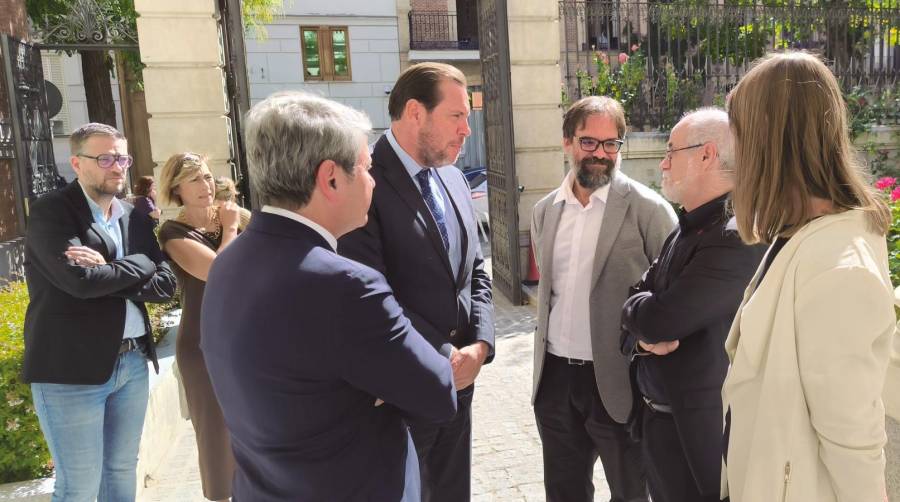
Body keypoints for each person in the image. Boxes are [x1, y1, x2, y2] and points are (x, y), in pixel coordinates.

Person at [201, 91, 457, 501]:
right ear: (331, 178)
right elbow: (438, 390)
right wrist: (376, 383)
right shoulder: (347, 285)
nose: (373, 181)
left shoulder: (228, 261)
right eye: (367, 168)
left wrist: (367, 386)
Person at [721, 51, 895, 502]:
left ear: (768, 143)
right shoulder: (797, 235)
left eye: (738, 135)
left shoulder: (839, 269)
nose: (732, 153)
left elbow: (853, 439)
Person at [338, 62, 494, 502]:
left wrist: (479, 346)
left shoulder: (454, 177)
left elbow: (476, 271)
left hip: (460, 386)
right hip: (399, 394)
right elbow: (367, 289)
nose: (467, 129)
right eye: (457, 116)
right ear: (414, 112)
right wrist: (444, 356)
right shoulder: (362, 181)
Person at [529, 95, 676, 502]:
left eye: (611, 144)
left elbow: (673, 290)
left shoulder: (650, 210)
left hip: (619, 381)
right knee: (564, 492)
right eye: (588, 142)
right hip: (556, 379)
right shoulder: (544, 211)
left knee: (631, 493)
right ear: (567, 143)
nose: (600, 154)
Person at [21, 122, 177, 502]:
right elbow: (79, 283)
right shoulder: (52, 211)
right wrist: (140, 264)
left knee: (122, 472)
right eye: (104, 158)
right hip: (69, 372)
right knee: (79, 487)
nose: (117, 166)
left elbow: (167, 284)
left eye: (122, 157)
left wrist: (110, 266)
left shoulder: (133, 214)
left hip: (132, 364)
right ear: (77, 163)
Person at [619, 108, 766, 502]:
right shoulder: (687, 225)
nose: (663, 162)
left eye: (671, 150)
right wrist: (642, 329)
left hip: (700, 440)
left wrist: (643, 323)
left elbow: (659, 318)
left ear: (707, 154)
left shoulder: (735, 236)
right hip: (659, 424)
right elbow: (636, 298)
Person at [156, 153, 239, 502]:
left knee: (257, 430)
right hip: (203, 346)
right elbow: (218, 272)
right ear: (177, 189)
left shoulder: (234, 219)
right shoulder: (173, 232)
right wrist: (233, 228)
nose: (205, 186)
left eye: (207, 177)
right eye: (194, 180)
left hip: (245, 342)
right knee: (216, 439)